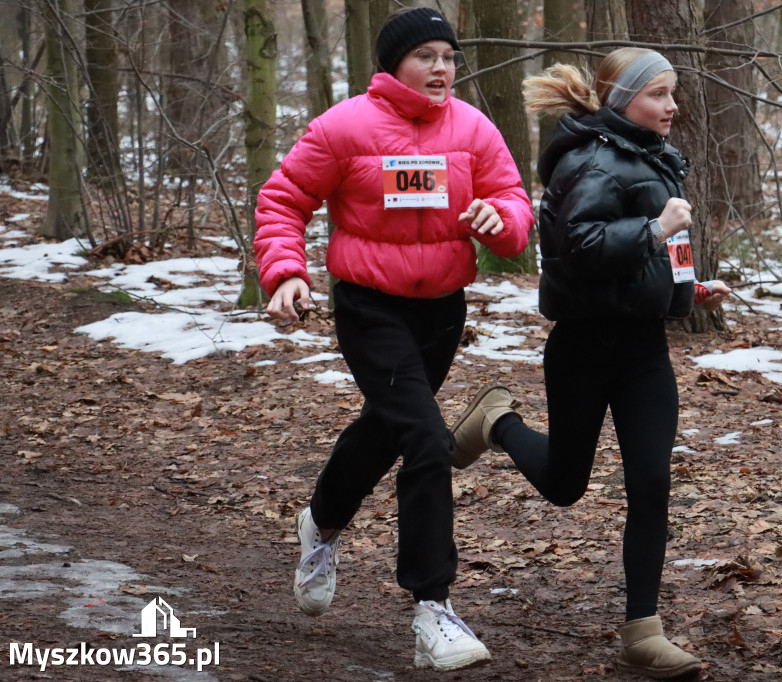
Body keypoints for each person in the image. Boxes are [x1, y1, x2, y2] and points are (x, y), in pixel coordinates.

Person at [253, 7, 533, 672]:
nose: (441, 69)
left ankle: (319, 524)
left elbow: (515, 211)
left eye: (449, 57)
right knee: (427, 438)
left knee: (388, 428)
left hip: (441, 310)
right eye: (426, 56)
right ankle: (432, 608)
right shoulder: (346, 126)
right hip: (369, 307)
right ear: (394, 62)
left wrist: (499, 221)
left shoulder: (473, 128)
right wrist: (286, 272)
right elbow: (284, 197)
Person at [450, 48, 731, 680]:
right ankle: (497, 421)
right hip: (583, 348)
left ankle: (642, 630)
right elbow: (576, 250)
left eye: (673, 92)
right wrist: (656, 230)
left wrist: (687, 292)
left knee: (652, 484)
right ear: (622, 99)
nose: (672, 105)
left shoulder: (653, 158)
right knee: (565, 485)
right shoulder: (587, 161)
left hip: (643, 352)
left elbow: (658, 250)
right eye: (659, 94)